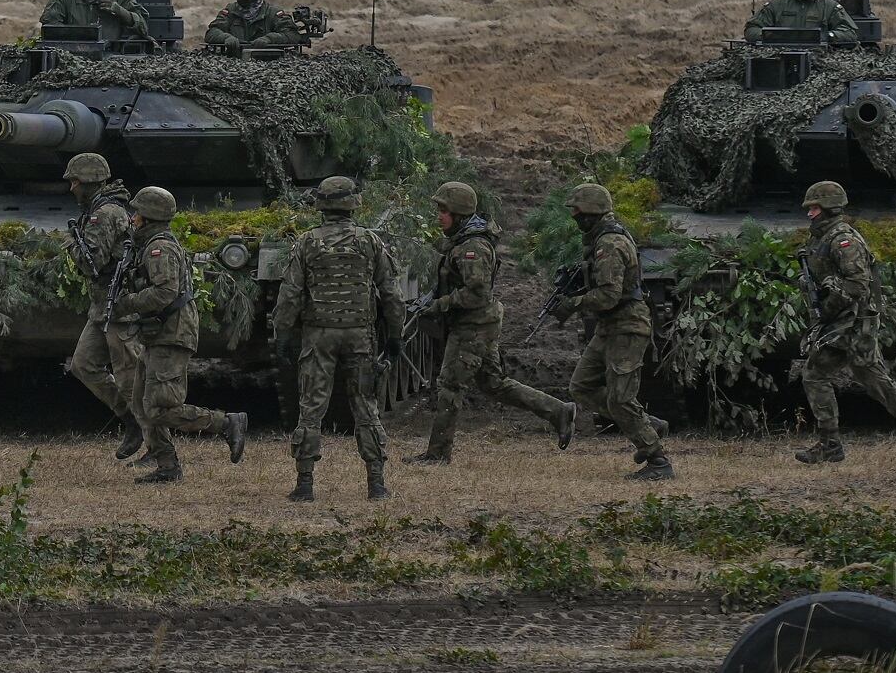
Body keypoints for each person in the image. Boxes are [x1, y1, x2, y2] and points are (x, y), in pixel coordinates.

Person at [408, 182, 575, 465]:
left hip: (473, 325)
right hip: (477, 322)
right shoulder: (462, 241)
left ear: (459, 213)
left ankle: (437, 454)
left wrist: (438, 306)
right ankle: (558, 411)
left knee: (450, 386)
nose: (439, 216)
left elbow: (477, 293)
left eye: (443, 210)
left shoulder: (473, 246)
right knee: (494, 383)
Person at [271, 176, 404, 502]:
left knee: (311, 408)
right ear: (352, 205)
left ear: (321, 205)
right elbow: (391, 294)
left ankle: (305, 484)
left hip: (318, 337)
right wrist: (396, 335)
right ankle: (376, 483)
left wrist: (283, 334)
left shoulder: (306, 242)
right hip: (360, 335)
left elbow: (289, 295)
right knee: (365, 407)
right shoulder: (370, 242)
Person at [794, 181, 896, 465]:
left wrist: (827, 307)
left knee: (815, 373)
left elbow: (858, 284)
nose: (809, 213)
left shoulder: (842, 240)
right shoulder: (822, 238)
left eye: (814, 207)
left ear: (828, 207)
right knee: (874, 379)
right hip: (848, 320)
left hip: (851, 320)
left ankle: (831, 445)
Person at [108, 185, 247, 484]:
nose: (132, 218)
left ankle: (226, 423)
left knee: (159, 407)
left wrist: (126, 304)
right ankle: (167, 465)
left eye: (137, 214)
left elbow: (165, 291)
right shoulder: (148, 246)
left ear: (149, 217)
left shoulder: (160, 248)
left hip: (171, 333)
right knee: (143, 405)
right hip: (158, 332)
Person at [551, 184, 671, 481]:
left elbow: (608, 295)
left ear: (592, 212)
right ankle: (645, 423)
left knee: (620, 398)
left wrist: (572, 304)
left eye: (577, 211)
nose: (574, 216)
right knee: (581, 387)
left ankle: (658, 461)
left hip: (628, 326)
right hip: (610, 327)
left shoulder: (610, 244)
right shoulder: (598, 241)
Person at [62, 152, 144, 460]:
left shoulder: (104, 214)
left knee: (129, 377)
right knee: (83, 365)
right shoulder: (97, 209)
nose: (71, 188)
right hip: (102, 307)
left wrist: (71, 244)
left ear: (90, 182)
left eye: (75, 182)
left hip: (119, 307)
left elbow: (91, 263)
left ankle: (161, 448)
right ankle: (132, 421)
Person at [204, 0, 299, 55]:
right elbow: (212, 32)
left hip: (268, 65)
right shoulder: (230, 11)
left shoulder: (273, 14)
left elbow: (292, 35)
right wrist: (225, 38)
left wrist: (270, 39)